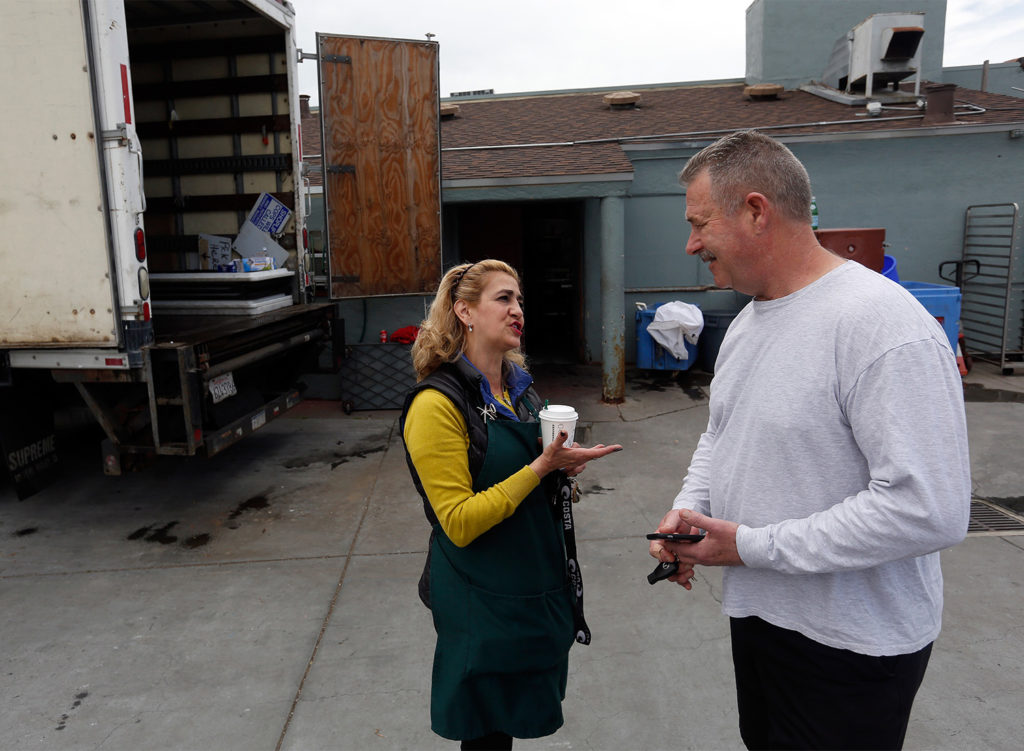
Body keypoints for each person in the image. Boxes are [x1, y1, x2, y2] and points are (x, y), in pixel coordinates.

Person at [650, 130, 971, 750]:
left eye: (699, 223)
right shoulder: (749, 321)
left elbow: (928, 509)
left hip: (852, 644)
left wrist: (750, 546)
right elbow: (721, 434)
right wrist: (691, 515)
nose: (691, 244)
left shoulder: (879, 324)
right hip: (763, 617)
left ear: (755, 210)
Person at [401, 259, 622, 751]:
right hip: (479, 595)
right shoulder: (437, 404)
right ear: (465, 311)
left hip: (529, 586)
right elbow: (457, 522)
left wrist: (562, 473)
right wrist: (539, 469)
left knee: (510, 722)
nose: (518, 309)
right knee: (485, 733)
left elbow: (532, 484)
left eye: (520, 299)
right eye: (504, 298)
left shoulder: (521, 393)